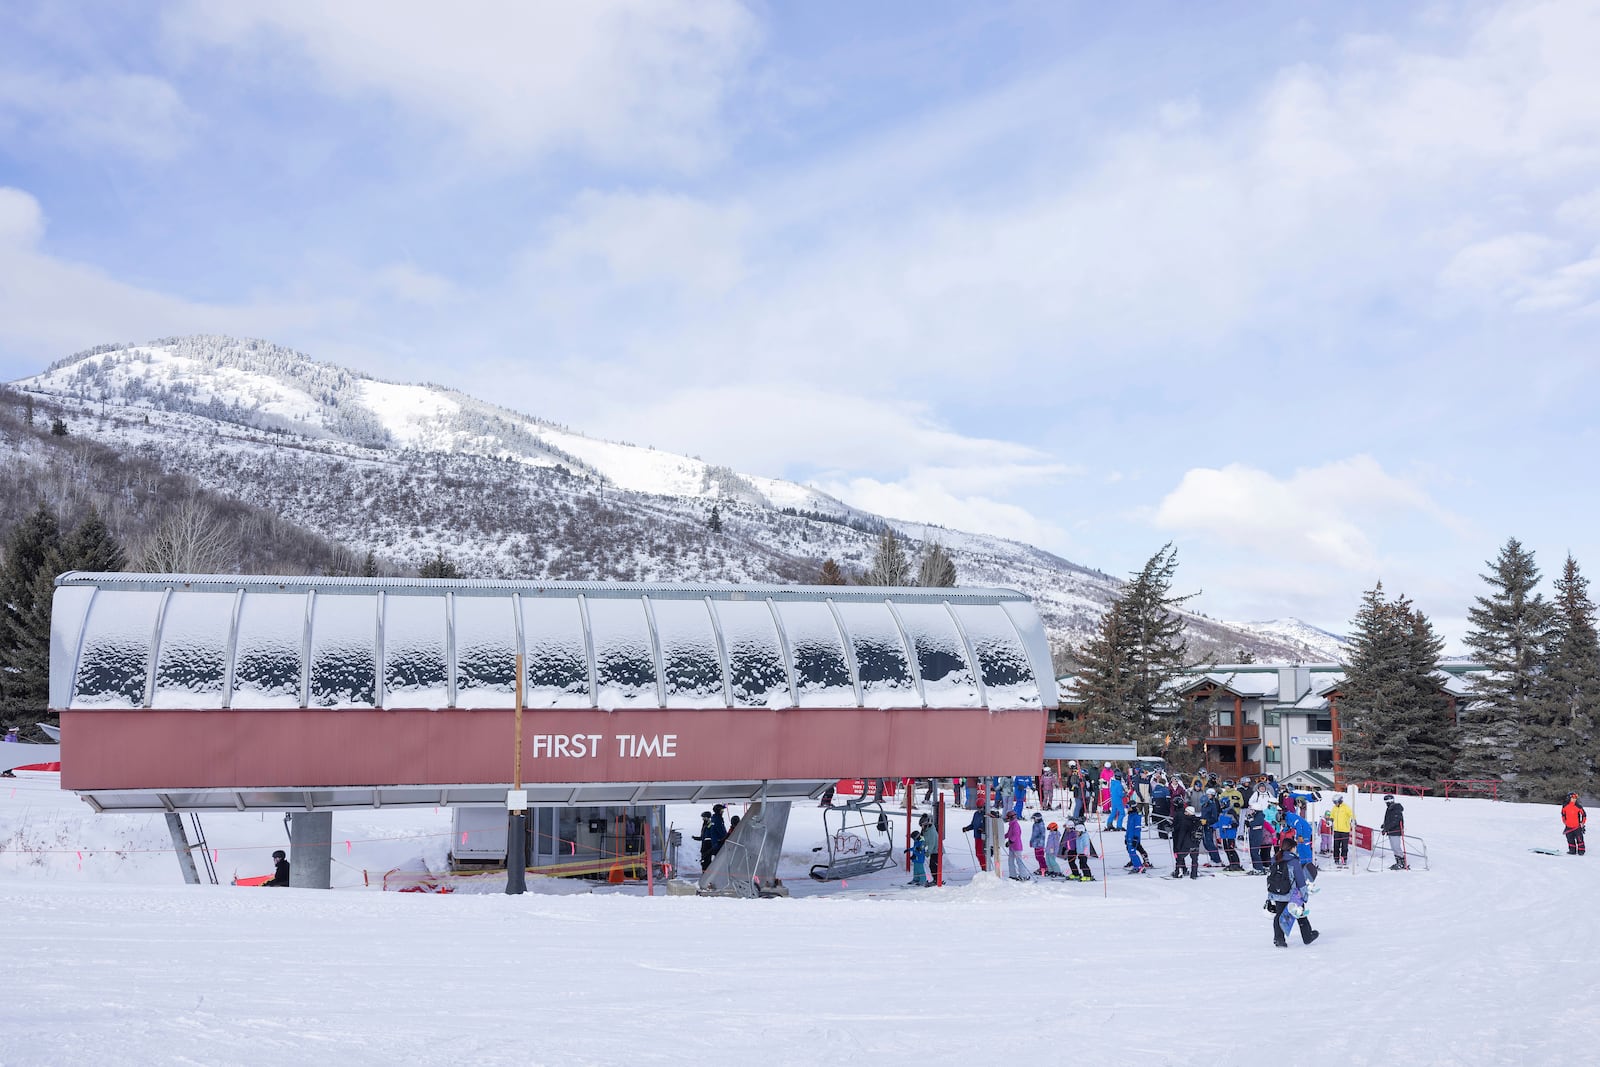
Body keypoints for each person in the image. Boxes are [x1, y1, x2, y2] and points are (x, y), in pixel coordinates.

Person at [1265, 830, 1320, 947]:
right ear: (1291, 848)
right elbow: (1300, 880)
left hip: (1278, 893)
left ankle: (1279, 939)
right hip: (1292, 894)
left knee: (1279, 916)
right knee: (1301, 914)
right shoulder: (1294, 861)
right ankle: (1307, 936)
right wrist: (1304, 895)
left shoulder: (1275, 859)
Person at [1171, 804, 1201, 879]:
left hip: (1187, 843)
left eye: (1186, 812)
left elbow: (1182, 834)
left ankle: (1178, 872)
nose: (1184, 813)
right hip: (1196, 843)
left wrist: (1178, 845)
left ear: (1189, 812)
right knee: (1194, 859)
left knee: (1180, 857)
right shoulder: (1198, 821)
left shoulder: (1185, 822)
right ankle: (1194, 874)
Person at [1380, 794, 1408, 870]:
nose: (1387, 802)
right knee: (1393, 847)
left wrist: (1386, 828)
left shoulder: (1396, 808)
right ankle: (1398, 862)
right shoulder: (1389, 808)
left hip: (1396, 831)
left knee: (1396, 847)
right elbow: (1389, 819)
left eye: (1389, 801)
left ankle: (1402, 863)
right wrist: (1384, 825)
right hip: (1391, 831)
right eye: (1386, 801)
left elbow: (1395, 821)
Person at [1004, 811, 1031, 881]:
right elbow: (1009, 833)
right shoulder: (1011, 824)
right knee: (1010, 861)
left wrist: (1010, 841)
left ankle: (1024, 875)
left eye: (1008, 818)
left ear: (1012, 817)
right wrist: (1002, 837)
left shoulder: (1015, 825)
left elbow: (1016, 835)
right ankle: (1013, 875)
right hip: (1011, 847)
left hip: (1016, 846)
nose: (1007, 819)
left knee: (1019, 861)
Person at [1330, 796, 1356, 867]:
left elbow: (1352, 814)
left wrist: (1353, 820)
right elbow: (1332, 816)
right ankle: (1336, 859)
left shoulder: (1345, 807)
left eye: (1336, 802)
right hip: (1336, 830)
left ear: (1340, 801)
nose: (1335, 804)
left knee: (1344, 846)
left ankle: (1344, 858)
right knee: (1336, 845)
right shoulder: (1334, 808)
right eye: (1334, 802)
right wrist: (1330, 820)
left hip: (1345, 830)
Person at [1124, 802, 1149, 872]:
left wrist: (1135, 838)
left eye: (1128, 807)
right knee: (1130, 850)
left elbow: (1137, 829)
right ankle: (1134, 862)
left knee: (1132, 851)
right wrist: (1126, 837)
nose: (1127, 809)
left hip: (1134, 837)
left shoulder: (1136, 816)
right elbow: (1129, 828)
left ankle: (1139, 866)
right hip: (1129, 837)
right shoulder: (1130, 816)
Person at [1216, 806, 1243, 871]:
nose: (1221, 805)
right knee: (1226, 849)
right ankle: (1231, 863)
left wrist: (1229, 826)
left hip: (1230, 834)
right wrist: (1211, 825)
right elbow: (1219, 823)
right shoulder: (1222, 812)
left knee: (1231, 849)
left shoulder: (1231, 812)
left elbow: (1236, 823)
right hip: (1224, 835)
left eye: (1222, 804)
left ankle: (1236, 864)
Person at [963, 806, 988, 870]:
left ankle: (985, 868)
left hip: (983, 838)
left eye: (980, 807)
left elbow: (988, 826)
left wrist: (983, 829)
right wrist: (967, 828)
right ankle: (983, 867)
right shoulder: (976, 814)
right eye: (978, 807)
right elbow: (973, 825)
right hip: (977, 837)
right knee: (978, 854)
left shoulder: (986, 814)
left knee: (982, 853)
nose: (979, 809)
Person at [919, 813, 941, 883]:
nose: (922, 827)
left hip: (937, 851)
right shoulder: (926, 831)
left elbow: (931, 844)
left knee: (933, 866)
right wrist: (921, 847)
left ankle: (937, 880)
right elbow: (924, 841)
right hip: (934, 851)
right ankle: (935, 879)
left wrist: (927, 853)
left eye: (922, 826)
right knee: (932, 866)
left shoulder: (931, 832)